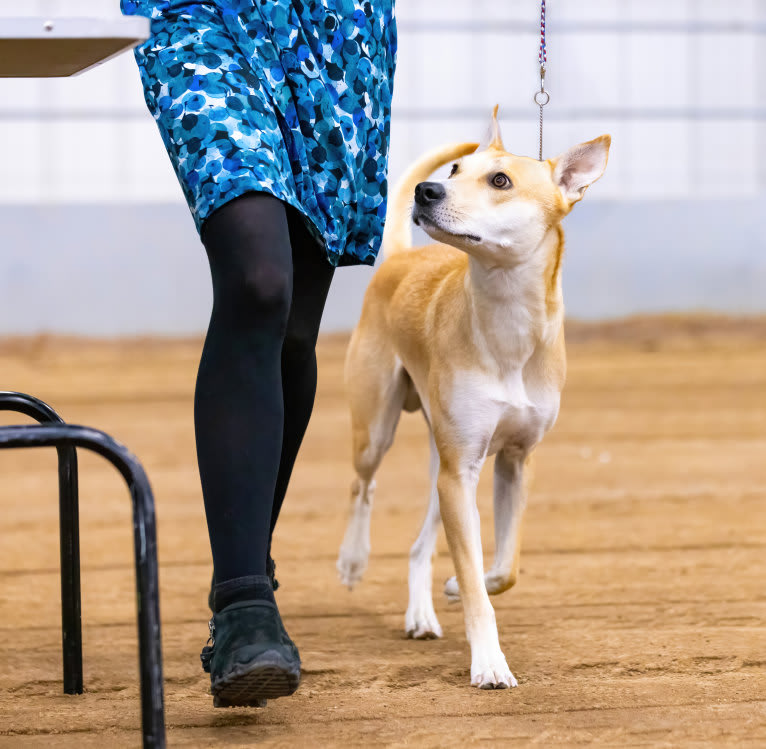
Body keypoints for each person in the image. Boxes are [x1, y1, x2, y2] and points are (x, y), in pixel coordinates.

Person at [121, 0, 397, 707]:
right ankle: (245, 600)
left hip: (338, 33)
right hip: (203, 16)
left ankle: (245, 586)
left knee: (294, 327)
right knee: (258, 281)